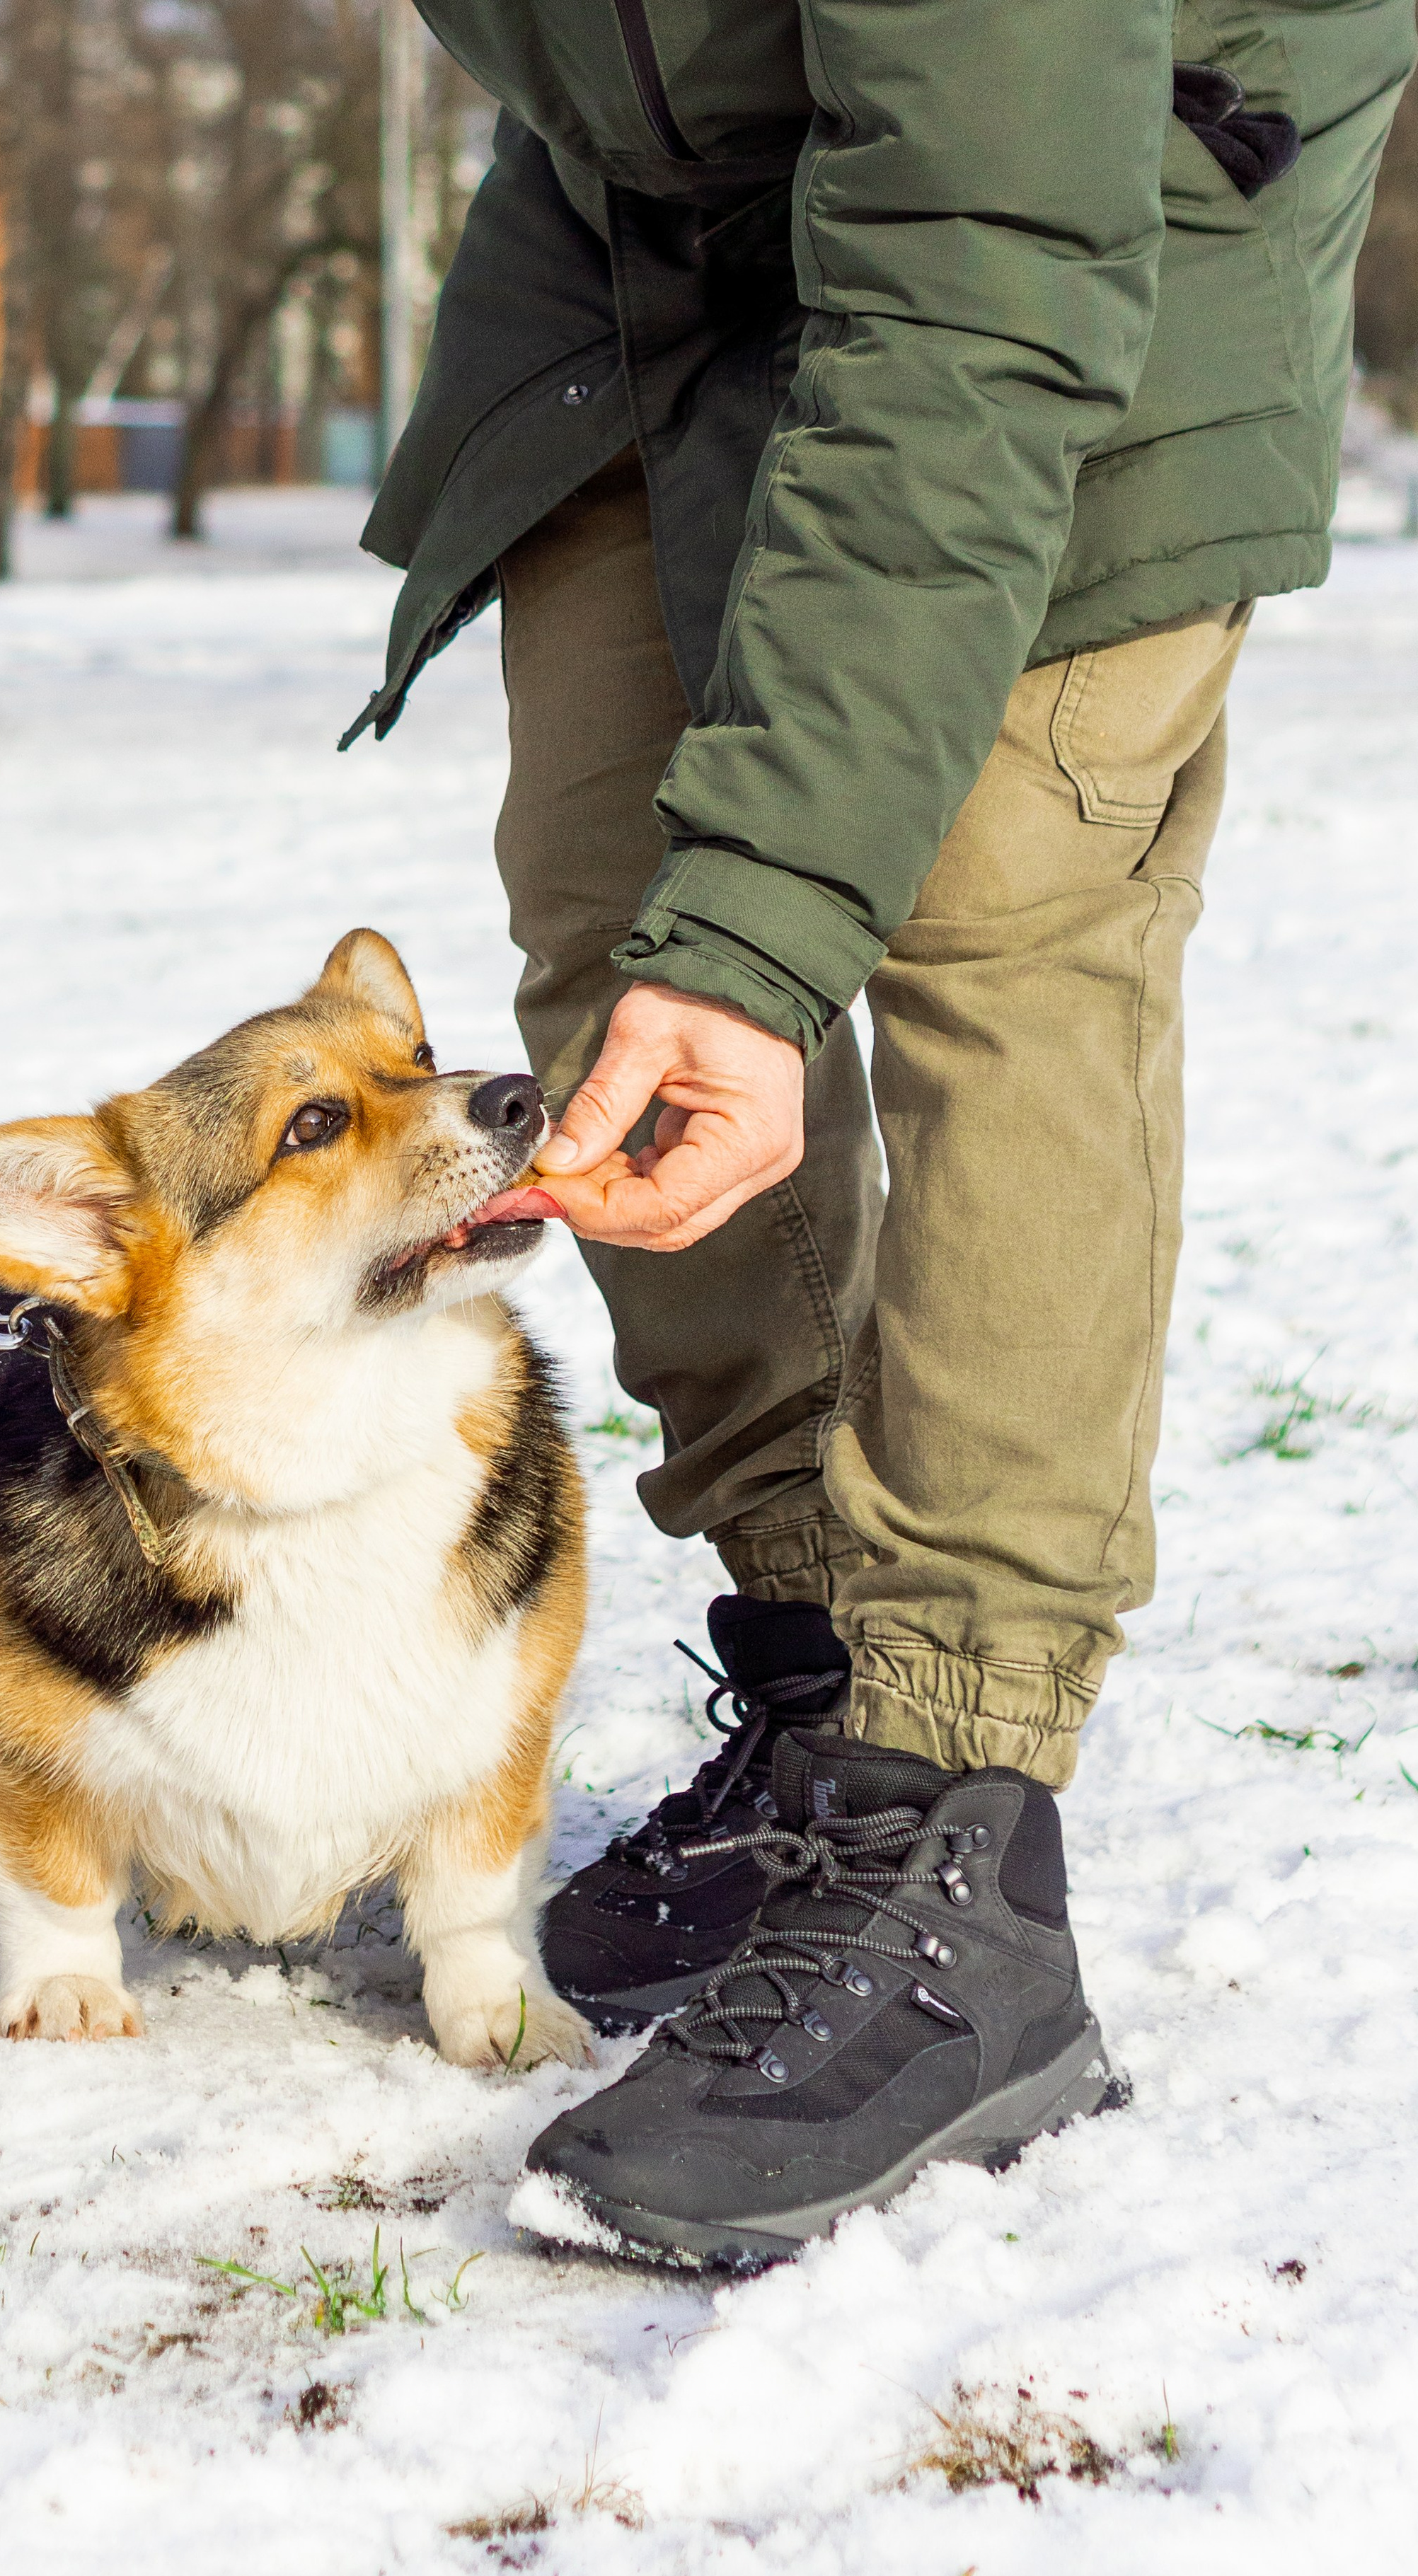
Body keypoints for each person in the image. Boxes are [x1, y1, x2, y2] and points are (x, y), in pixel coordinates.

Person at [337, 1, 1414, 2266]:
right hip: (659, 223)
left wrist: (767, 935)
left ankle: (958, 1821)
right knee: (611, 911)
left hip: (1075, 204)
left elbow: (979, 260)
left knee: (990, 908)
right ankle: (824, 1683)